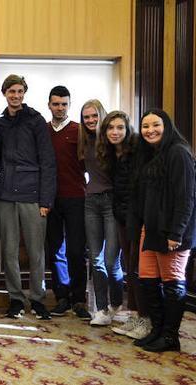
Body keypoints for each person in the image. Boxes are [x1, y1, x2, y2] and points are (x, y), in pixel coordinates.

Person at [131, 109, 195, 352]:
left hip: (172, 233)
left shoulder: (179, 152)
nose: (150, 130)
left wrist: (176, 233)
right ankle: (157, 330)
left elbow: (186, 198)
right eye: (145, 126)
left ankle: (170, 337)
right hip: (152, 229)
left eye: (155, 125)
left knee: (172, 284)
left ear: (167, 126)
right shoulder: (152, 155)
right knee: (147, 281)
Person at [0, 75, 56, 320]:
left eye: (20, 91)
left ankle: (38, 299)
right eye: (11, 91)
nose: (16, 95)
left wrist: (46, 201)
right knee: (8, 251)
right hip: (6, 194)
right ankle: (16, 299)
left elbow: (48, 162)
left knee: (35, 251)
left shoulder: (36, 121)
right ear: (4, 93)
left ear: (24, 93)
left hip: (33, 195)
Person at [97, 110, 151, 338]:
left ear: (127, 130)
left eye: (120, 127)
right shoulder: (112, 154)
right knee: (130, 267)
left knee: (140, 270)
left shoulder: (138, 152)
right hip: (122, 217)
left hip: (139, 218)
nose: (115, 132)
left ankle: (146, 320)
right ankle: (136, 315)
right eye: (110, 128)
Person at [44, 86, 90, 319]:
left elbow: (89, 164)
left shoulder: (80, 131)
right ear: (49, 105)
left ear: (69, 105)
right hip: (50, 199)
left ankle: (79, 299)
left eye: (64, 104)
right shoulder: (43, 131)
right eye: (56, 104)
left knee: (76, 250)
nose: (60, 108)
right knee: (55, 250)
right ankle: (61, 297)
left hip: (77, 198)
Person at [79, 100, 124, 326]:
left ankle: (116, 302)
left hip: (111, 202)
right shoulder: (84, 142)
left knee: (110, 261)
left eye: (94, 116)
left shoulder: (113, 141)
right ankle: (102, 309)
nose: (90, 120)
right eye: (86, 117)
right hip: (91, 201)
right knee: (95, 259)